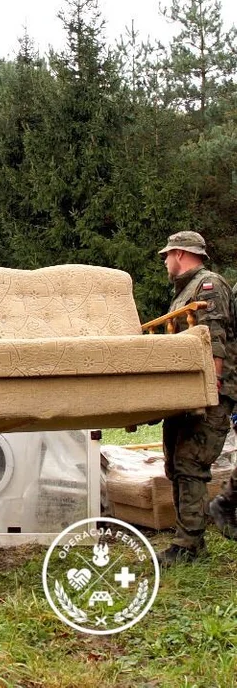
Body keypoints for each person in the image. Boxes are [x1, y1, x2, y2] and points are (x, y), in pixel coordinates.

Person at [157, 231, 236, 567]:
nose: (164, 262)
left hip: (208, 393)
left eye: (166, 255)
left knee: (190, 463)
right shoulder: (183, 292)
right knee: (176, 463)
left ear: (179, 254)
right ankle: (187, 536)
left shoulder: (208, 285)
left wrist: (212, 387)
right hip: (186, 394)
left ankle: (188, 545)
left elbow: (214, 337)